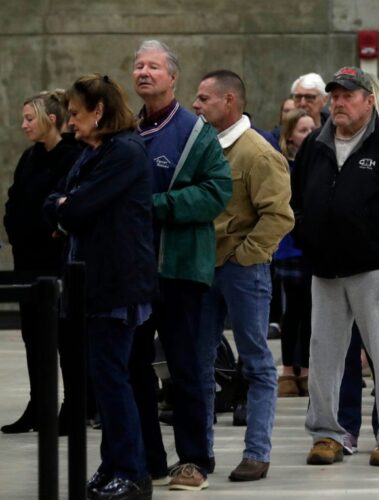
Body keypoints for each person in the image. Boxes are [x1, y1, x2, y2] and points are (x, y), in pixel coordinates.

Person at [293, 67, 379, 466]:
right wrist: (307, 238)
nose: (338, 102)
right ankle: (327, 434)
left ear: (369, 101)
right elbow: (297, 199)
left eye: (348, 96)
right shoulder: (316, 144)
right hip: (326, 271)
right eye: (334, 95)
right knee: (323, 358)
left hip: (377, 271)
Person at [44, 73, 157, 500]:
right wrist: (63, 207)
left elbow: (78, 208)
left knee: (112, 379)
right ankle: (113, 465)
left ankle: (131, 471)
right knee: (103, 379)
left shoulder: (125, 152)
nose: (70, 122)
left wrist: (66, 209)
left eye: (75, 114)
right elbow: (55, 201)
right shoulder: (92, 153)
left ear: (99, 111)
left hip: (118, 284)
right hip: (90, 283)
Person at [129, 39, 232, 491]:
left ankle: (194, 460)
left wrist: (157, 205)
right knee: (132, 366)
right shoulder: (127, 131)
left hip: (180, 270)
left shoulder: (195, 131)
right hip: (133, 272)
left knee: (186, 368)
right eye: (138, 66)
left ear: (173, 77)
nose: (143, 73)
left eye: (153, 66)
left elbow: (216, 192)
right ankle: (147, 458)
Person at [192, 70, 294, 481]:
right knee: (198, 361)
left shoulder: (257, 152)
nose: (196, 105)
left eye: (204, 98)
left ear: (229, 100)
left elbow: (279, 215)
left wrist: (245, 257)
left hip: (241, 271)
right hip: (203, 268)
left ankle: (257, 452)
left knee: (256, 362)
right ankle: (200, 453)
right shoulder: (201, 146)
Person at [3, 90, 82, 435]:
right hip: (28, 261)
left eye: (29, 119)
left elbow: (68, 206)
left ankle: (74, 405)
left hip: (58, 263)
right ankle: (39, 404)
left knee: (65, 338)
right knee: (32, 336)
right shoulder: (29, 157)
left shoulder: (73, 156)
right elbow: (14, 199)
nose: (23, 125)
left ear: (51, 120)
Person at [274, 108, 316, 397]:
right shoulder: (282, 165)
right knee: (293, 310)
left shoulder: (317, 161)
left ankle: (308, 368)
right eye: (303, 130)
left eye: (313, 128)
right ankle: (290, 369)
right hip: (290, 245)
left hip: (313, 244)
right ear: (289, 136)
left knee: (311, 310)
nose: (309, 134)